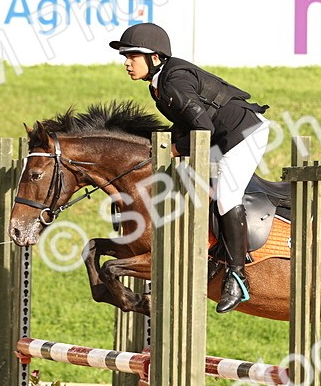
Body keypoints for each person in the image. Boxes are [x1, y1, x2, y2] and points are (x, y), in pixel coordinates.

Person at [109, 23, 270, 313]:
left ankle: (237, 276)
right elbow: (189, 126)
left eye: (132, 56)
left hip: (243, 135)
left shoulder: (173, 82)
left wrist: (172, 149)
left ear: (155, 58)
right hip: (219, 138)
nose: (126, 63)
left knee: (227, 196)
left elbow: (203, 129)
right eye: (126, 56)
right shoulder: (158, 85)